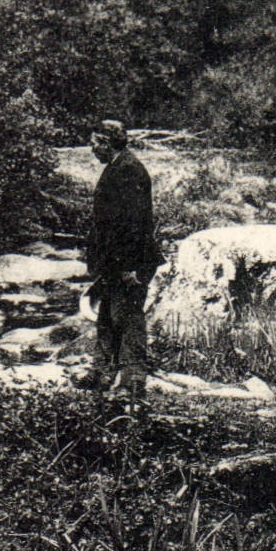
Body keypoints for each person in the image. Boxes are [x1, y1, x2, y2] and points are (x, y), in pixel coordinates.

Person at [83, 119, 163, 397]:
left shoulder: (130, 171)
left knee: (128, 317)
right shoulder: (116, 168)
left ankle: (133, 379)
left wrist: (131, 267)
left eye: (94, 143)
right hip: (115, 260)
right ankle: (102, 372)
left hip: (131, 260)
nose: (92, 149)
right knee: (107, 315)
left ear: (107, 143)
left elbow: (135, 224)